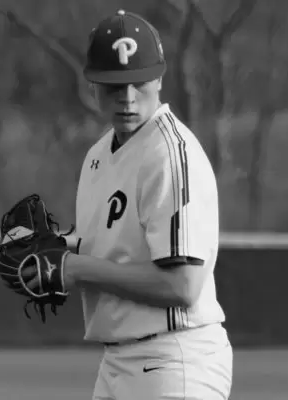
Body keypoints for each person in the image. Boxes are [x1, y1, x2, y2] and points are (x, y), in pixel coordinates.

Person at [62, 9, 233, 400]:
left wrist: (78, 268)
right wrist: (56, 253)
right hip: (119, 361)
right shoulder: (98, 155)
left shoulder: (169, 153)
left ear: (158, 79)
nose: (127, 97)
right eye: (114, 85)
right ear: (93, 84)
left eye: (138, 82)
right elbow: (113, 247)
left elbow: (182, 284)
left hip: (174, 358)